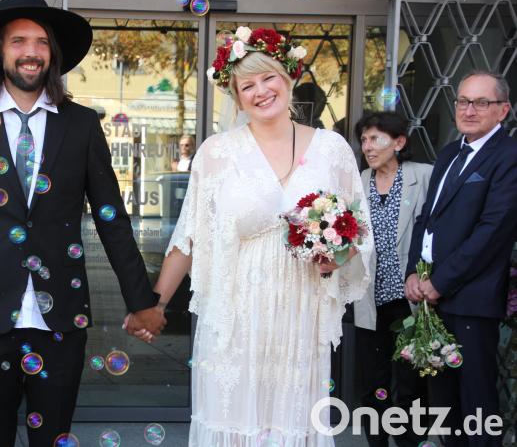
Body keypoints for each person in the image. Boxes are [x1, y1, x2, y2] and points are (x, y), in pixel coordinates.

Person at [0, 0, 166, 445]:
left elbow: (111, 218)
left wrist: (143, 300)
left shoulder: (80, 126)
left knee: (54, 437)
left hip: (59, 315)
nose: (31, 51)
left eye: (41, 42)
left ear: (52, 54)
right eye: (18, 40)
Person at [128, 26, 373, 446]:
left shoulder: (332, 150)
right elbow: (189, 238)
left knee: (292, 424)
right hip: (235, 317)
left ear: (289, 77)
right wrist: (156, 304)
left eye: (269, 77)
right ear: (236, 95)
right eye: (247, 85)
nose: (261, 91)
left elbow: (359, 230)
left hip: (299, 314)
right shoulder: (217, 153)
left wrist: (339, 255)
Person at [404, 70, 517, 447]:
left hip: (471, 299)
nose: (469, 110)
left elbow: (492, 231)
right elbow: (427, 218)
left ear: (503, 110)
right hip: (431, 298)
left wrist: (440, 281)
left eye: (481, 102)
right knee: (444, 404)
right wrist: (413, 275)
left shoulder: (509, 156)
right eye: (463, 101)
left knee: (477, 405)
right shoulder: (451, 152)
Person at [353, 112, 431, 447]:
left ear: (398, 142)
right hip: (370, 300)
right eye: (364, 140)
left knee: (411, 384)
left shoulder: (424, 176)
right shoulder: (358, 181)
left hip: (409, 300)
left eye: (376, 139)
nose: (368, 147)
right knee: (373, 383)